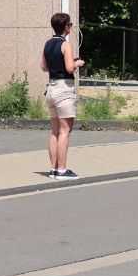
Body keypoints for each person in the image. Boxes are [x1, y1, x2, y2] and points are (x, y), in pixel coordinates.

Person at [40, 12, 85, 180]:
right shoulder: (66, 45)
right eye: (70, 25)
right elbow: (69, 68)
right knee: (65, 131)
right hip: (64, 89)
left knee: (55, 131)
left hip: (51, 88)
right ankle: (62, 170)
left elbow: (44, 67)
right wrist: (77, 63)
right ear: (66, 27)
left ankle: (53, 169)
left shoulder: (47, 44)